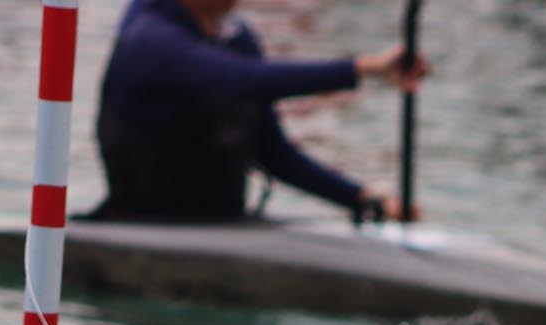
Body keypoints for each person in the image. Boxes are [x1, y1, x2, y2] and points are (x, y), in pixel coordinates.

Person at [91, 0, 429, 223]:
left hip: (226, 226)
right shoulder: (150, 39)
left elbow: (273, 153)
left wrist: (362, 199)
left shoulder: (236, 38)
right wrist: (363, 68)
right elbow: (240, 80)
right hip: (144, 223)